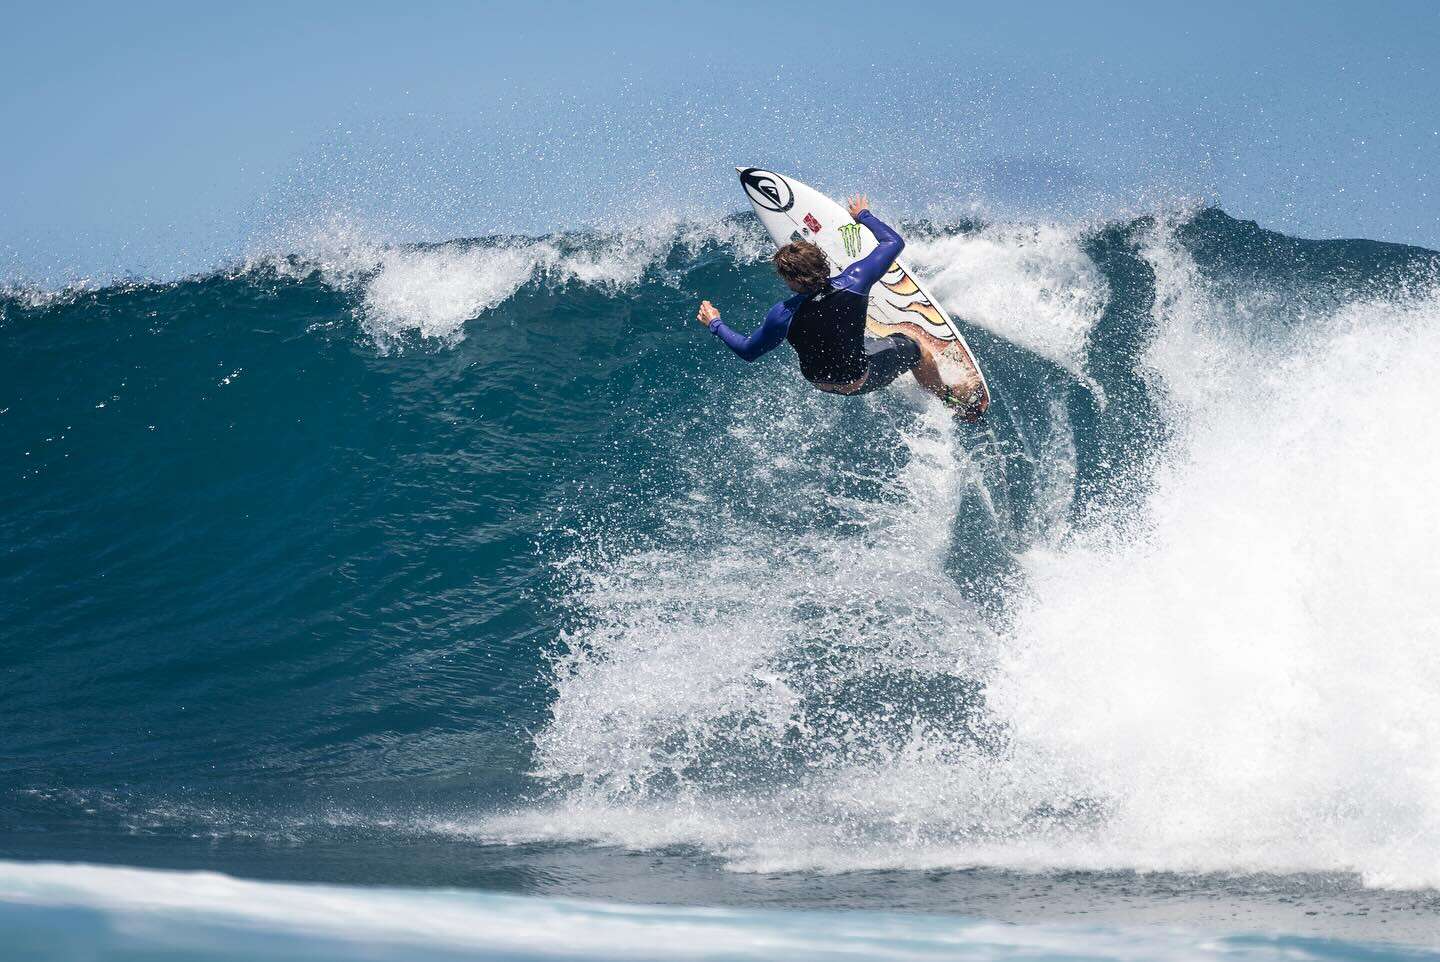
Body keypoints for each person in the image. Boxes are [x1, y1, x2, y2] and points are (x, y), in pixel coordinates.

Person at [696, 194, 984, 417]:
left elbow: (747, 351)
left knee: (853, 343)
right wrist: (862, 215)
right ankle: (950, 397)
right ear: (823, 263)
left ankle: (881, 351)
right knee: (916, 345)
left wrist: (715, 323)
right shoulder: (855, 281)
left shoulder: (782, 315)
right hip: (859, 378)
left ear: (791, 282)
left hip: (820, 382)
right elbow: (893, 242)